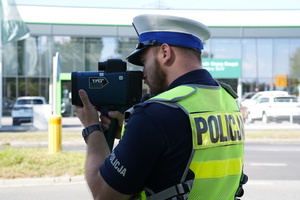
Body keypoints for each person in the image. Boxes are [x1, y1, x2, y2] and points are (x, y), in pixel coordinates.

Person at [74, 14, 247, 200]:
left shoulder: (154, 115)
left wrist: (92, 128)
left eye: (144, 62)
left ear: (165, 52)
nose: (143, 74)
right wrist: (130, 133)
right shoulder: (229, 101)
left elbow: (103, 194)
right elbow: (181, 150)